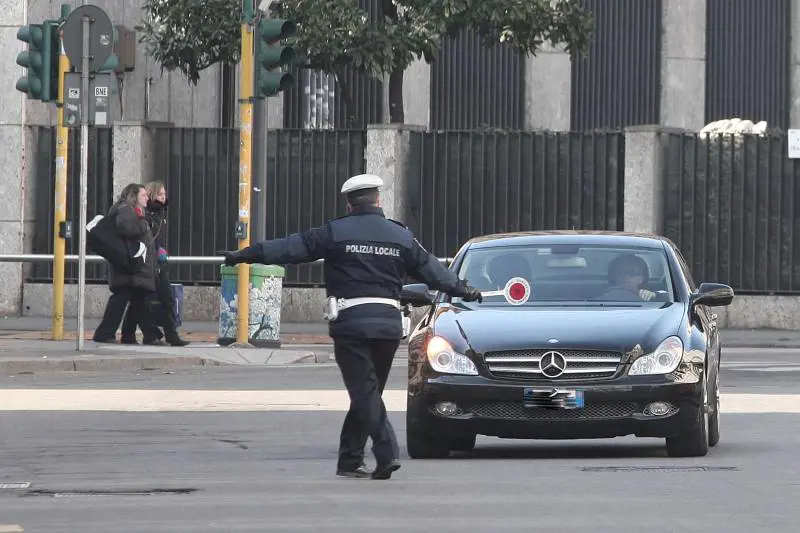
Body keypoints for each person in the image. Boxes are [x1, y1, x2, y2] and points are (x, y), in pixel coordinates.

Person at [222, 174, 483, 480]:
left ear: (349, 204)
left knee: (364, 392)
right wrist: (465, 290)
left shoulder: (335, 232)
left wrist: (244, 255)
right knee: (368, 392)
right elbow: (435, 272)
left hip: (351, 325)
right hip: (387, 327)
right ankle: (350, 459)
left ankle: (386, 452)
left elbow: (289, 248)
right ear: (378, 200)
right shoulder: (400, 236)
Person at [93, 183, 165, 345]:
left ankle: (143, 335)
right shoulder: (126, 210)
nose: (147, 198)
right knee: (123, 299)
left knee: (138, 300)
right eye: (143, 195)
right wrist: (143, 224)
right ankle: (106, 333)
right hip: (128, 266)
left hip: (132, 266)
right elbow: (126, 228)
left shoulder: (134, 211)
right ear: (134, 196)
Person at [120, 181, 189, 347]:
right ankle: (169, 335)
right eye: (160, 194)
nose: (163, 197)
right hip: (150, 263)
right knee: (164, 299)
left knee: (141, 300)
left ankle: (129, 334)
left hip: (155, 262)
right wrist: (158, 251)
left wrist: (161, 249)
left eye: (164, 194)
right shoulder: (146, 215)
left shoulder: (160, 214)